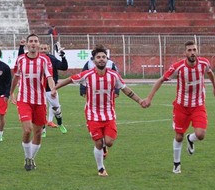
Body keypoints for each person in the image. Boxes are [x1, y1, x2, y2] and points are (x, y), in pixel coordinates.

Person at [55, 45, 144, 177]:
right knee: (98, 142)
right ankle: (101, 168)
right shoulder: (87, 75)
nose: (101, 59)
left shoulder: (114, 75)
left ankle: (105, 147)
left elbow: (126, 90)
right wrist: (55, 88)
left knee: (108, 142)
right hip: (92, 114)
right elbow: (70, 79)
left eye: (103, 57)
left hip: (109, 114)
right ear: (93, 60)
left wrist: (140, 101)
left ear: (107, 59)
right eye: (98, 57)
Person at [143, 40, 215, 174]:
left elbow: (210, 73)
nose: (192, 52)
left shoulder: (204, 63)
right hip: (181, 106)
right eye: (189, 50)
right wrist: (149, 98)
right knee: (179, 136)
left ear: (197, 51)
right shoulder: (178, 67)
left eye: (194, 50)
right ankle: (176, 164)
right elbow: (161, 80)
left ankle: (191, 138)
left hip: (198, 105)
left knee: (200, 134)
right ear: (185, 52)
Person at [10, 34, 55, 171]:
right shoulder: (20, 60)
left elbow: (49, 77)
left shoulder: (44, 60)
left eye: (36, 41)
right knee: (28, 129)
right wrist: (11, 92)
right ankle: (27, 157)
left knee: (38, 133)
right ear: (27, 44)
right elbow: (16, 78)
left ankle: (30, 158)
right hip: (24, 100)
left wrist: (53, 89)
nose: (33, 44)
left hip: (40, 101)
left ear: (38, 44)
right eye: (31, 41)